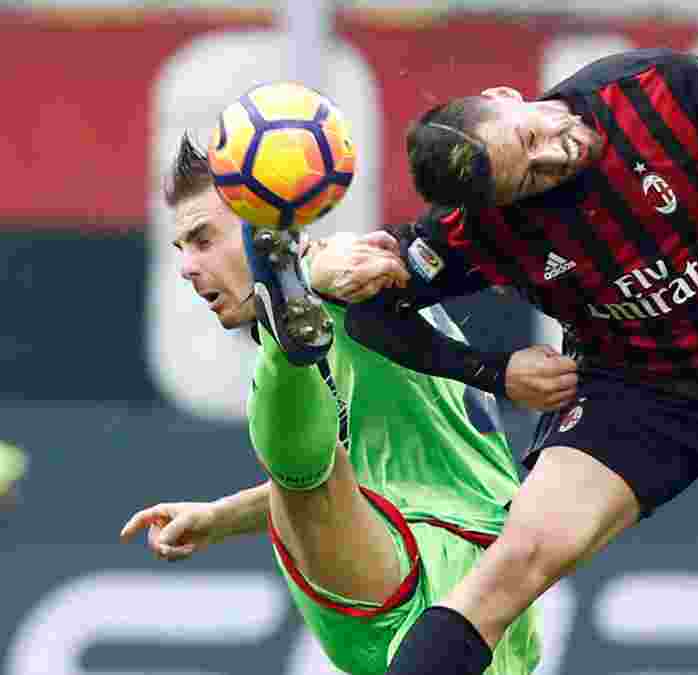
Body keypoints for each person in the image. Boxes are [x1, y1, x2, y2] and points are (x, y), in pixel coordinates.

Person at [324, 49, 698, 675]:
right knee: (510, 570)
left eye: (532, 137)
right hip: (633, 395)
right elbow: (371, 317)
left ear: (506, 93)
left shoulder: (662, 91)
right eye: (529, 177)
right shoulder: (479, 228)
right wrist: (495, 371)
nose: (553, 156)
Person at [119, 135, 561, 675]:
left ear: (263, 226)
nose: (188, 266)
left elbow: (355, 268)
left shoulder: (340, 270)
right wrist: (218, 518)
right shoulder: (337, 327)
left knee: (305, 462)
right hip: (476, 584)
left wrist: (318, 273)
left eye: (203, 239)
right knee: (315, 463)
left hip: (436, 561)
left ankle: (283, 323)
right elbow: (362, 466)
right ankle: (284, 327)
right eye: (182, 249)